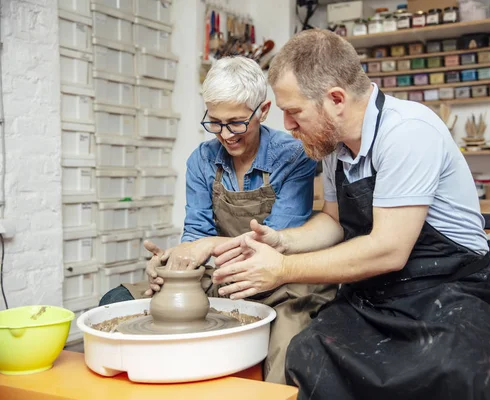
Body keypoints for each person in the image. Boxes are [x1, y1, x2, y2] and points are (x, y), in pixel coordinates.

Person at [211, 30, 490, 399]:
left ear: (335, 100)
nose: (287, 126)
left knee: (451, 369)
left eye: (294, 112)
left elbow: (389, 249)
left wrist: (281, 270)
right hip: (377, 296)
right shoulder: (332, 145)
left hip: (452, 293)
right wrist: (283, 241)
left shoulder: (408, 132)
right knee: (307, 351)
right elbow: (332, 221)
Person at [98, 56, 338, 384]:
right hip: (223, 275)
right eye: (215, 121)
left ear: (263, 111)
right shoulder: (202, 159)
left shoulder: (294, 154)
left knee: (285, 354)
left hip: (282, 279)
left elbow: (277, 240)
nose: (225, 134)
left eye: (236, 122)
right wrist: (169, 264)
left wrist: (207, 245)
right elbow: (196, 233)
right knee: (116, 303)